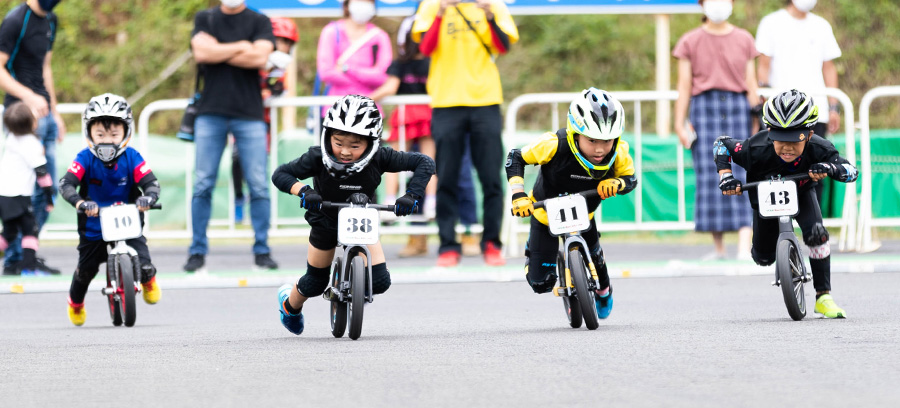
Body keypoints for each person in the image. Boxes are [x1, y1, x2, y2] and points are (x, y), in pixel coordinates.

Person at [271, 95, 435, 335]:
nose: (345, 152)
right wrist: (304, 191)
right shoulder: (317, 157)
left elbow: (425, 163)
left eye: (355, 146)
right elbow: (281, 174)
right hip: (324, 219)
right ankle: (289, 304)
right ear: (328, 136)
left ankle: (352, 290)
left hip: (362, 219)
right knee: (314, 283)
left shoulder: (381, 156)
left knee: (380, 282)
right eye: (338, 143)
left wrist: (411, 196)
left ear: (370, 143)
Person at [715, 89, 857, 318]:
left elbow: (851, 171)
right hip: (764, 201)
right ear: (769, 132)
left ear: (809, 135)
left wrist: (830, 168)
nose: (788, 147)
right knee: (763, 257)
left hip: (802, 195)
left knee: (817, 234)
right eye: (781, 140)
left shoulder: (820, 147)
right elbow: (722, 145)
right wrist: (726, 177)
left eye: (796, 140)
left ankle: (824, 296)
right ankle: (772, 254)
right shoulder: (755, 147)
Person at [506, 88, 637, 319]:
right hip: (544, 213)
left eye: (607, 141)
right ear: (576, 133)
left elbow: (631, 179)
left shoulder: (620, 152)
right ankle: (534, 252)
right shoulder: (553, 144)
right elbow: (516, 158)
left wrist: (617, 182)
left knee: (596, 257)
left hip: (584, 215)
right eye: (592, 140)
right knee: (540, 283)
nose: (599, 149)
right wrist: (519, 195)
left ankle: (604, 291)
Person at [413, 0, 519, 267]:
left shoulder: (493, 3)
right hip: (446, 102)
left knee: (491, 177)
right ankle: (448, 245)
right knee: (446, 175)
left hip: (486, 101)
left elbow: (503, 46)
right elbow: (424, 48)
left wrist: (489, 15)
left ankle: (492, 243)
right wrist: (439, 13)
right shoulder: (431, 4)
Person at [185, 0, 278, 272]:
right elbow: (201, 54)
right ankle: (197, 251)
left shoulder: (259, 21)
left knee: (259, 184)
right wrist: (242, 46)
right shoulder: (206, 18)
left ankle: (262, 249)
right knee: (202, 183)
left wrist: (218, 49)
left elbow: (261, 58)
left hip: (250, 113)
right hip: (210, 112)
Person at [58, 94, 162, 326]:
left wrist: (149, 197)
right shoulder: (84, 158)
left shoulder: (132, 157)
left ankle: (148, 279)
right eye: (100, 134)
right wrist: (81, 203)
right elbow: (66, 184)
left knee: (144, 263)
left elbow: (151, 183)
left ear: (126, 133)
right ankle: (75, 302)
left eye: (114, 135)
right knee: (85, 271)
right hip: (93, 225)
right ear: (89, 133)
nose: (108, 141)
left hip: (128, 223)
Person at [673, 0, 756, 260]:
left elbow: (751, 83)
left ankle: (745, 245)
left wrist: (757, 120)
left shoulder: (744, 38)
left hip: (738, 107)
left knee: (743, 170)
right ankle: (719, 248)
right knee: (711, 174)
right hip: (703, 108)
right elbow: (684, 85)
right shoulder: (690, 40)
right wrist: (679, 121)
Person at [755, 0, 843, 212]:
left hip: (815, 112)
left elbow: (829, 67)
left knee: (815, 172)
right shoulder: (771, 23)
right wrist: (764, 106)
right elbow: (763, 67)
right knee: (775, 170)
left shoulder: (822, 25)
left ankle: (813, 227)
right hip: (780, 114)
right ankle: (777, 226)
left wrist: (834, 107)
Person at [0, 0, 65, 275]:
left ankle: (27, 253)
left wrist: (55, 110)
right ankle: (16, 257)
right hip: (20, 119)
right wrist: (29, 97)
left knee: (48, 189)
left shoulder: (51, 20)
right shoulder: (16, 20)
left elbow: (45, 67)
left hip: (44, 115)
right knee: (19, 189)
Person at [370, 14, 436, 257]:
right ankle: (430, 203)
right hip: (426, 113)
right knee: (429, 161)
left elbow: (390, 88)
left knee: (396, 160)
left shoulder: (401, 64)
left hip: (407, 115)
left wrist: (366, 98)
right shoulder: (432, 62)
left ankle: (391, 201)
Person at [232, 16, 299, 224]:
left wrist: (273, 91)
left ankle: (256, 208)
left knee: (259, 165)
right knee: (237, 160)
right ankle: (238, 199)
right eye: (279, 40)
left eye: (287, 42)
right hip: (242, 117)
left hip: (264, 124)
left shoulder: (281, 68)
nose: (282, 45)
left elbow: (279, 89)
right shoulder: (255, 59)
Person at [0, 102, 53, 276]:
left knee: (10, 231)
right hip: (19, 195)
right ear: (32, 123)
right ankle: (29, 267)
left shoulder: (11, 138)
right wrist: (49, 196)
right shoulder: (31, 143)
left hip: (4, 194)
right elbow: (42, 173)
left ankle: (19, 266)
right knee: (30, 229)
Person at [316, 0, 392, 116]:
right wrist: (365, 79)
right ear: (347, 4)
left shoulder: (380, 36)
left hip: (368, 112)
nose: (363, 4)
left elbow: (382, 76)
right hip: (336, 111)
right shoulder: (331, 32)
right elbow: (326, 72)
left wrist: (347, 69)